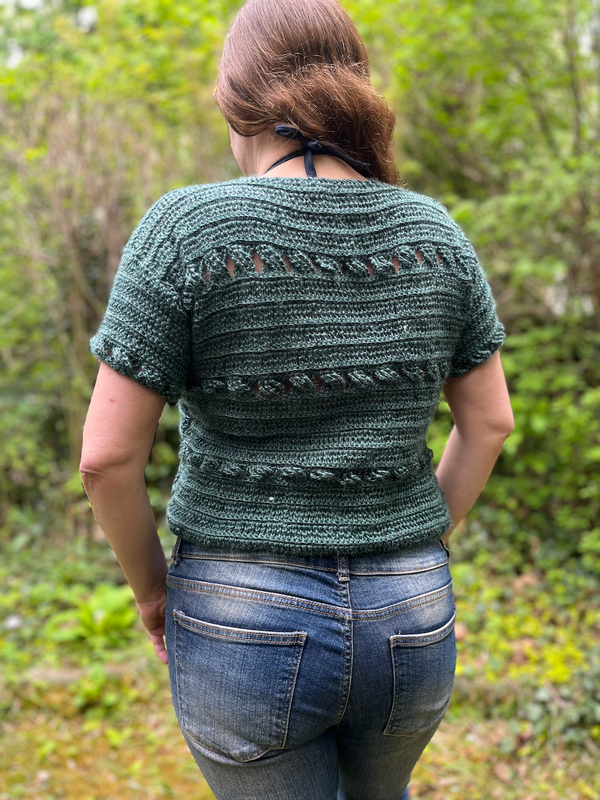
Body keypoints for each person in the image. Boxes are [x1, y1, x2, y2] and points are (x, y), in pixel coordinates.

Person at [80, 0, 514, 798]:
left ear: (234, 99)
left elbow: (107, 458)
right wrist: (416, 545)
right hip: (411, 611)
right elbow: (489, 423)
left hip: (239, 611)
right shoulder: (433, 232)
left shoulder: (187, 230)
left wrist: (152, 593)